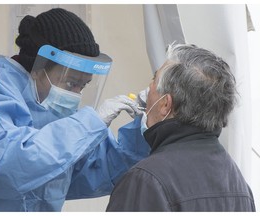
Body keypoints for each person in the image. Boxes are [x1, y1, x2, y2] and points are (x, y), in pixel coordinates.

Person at [0, 8, 150, 212]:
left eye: (82, 86)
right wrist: (92, 123)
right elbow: (8, 169)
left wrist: (144, 130)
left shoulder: (51, 104)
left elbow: (95, 172)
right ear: (39, 69)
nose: (75, 94)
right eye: (71, 83)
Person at [106, 43, 256, 212]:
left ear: (165, 104)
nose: (147, 90)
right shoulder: (239, 185)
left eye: (154, 80)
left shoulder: (146, 179)